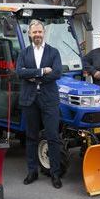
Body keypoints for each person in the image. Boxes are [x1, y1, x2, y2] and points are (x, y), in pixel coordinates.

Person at [16, 19, 63, 189]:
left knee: (53, 136)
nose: (37, 35)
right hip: (30, 99)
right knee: (31, 137)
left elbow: (57, 72)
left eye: (39, 32)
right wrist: (42, 71)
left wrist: (32, 76)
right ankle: (32, 171)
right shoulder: (24, 53)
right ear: (29, 34)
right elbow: (19, 73)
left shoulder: (54, 52)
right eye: (34, 32)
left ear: (44, 33)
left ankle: (55, 174)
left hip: (49, 100)